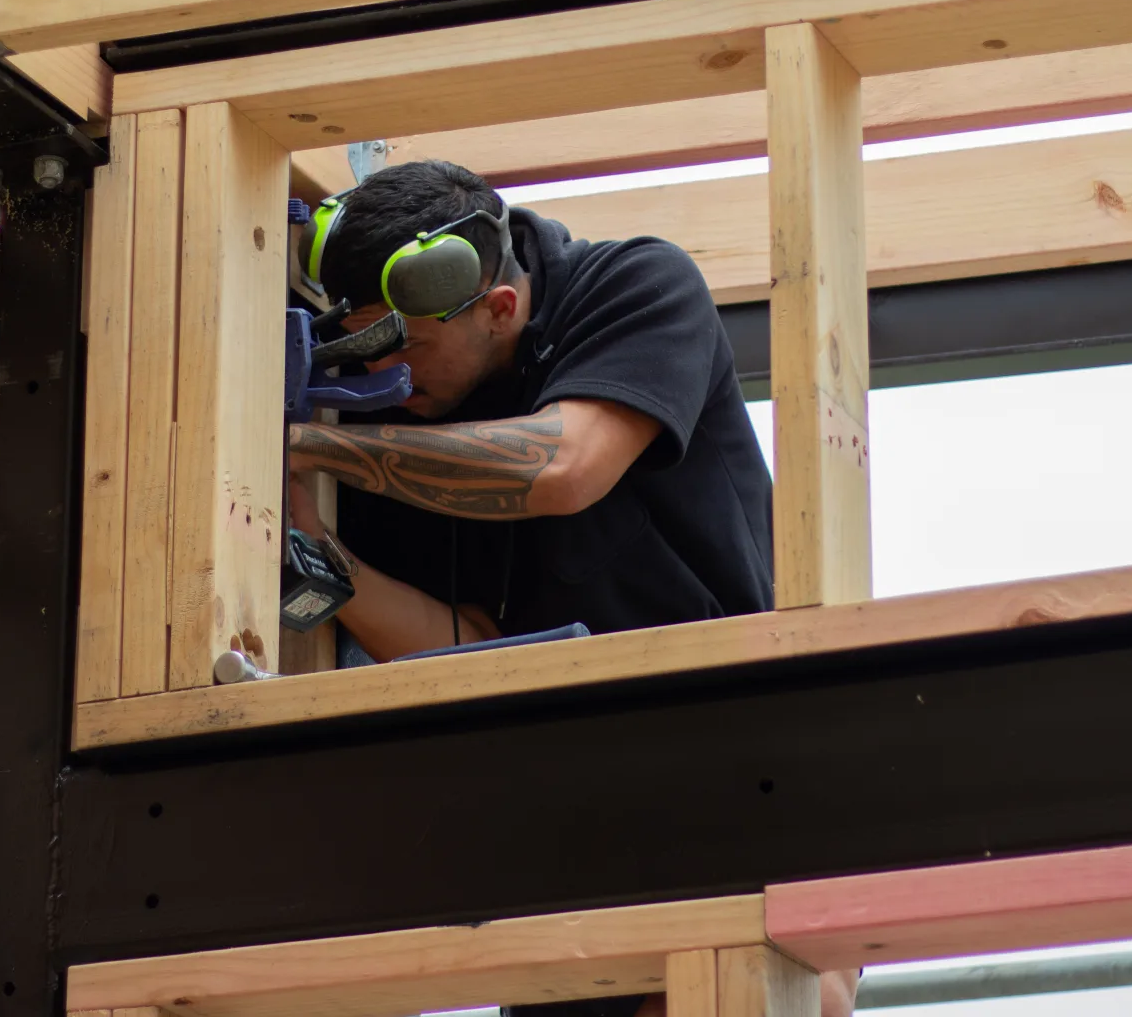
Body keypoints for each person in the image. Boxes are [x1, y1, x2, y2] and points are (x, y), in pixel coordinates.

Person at [286, 160, 856, 1017]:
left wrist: (327, 454)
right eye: (367, 350)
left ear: (501, 308)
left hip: (734, 770)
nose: (386, 381)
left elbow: (563, 465)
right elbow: (471, 648)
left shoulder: (633, 286)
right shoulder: (396, 419)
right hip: (562, 821)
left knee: (784, 998)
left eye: (408, 349)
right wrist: (318, 556)